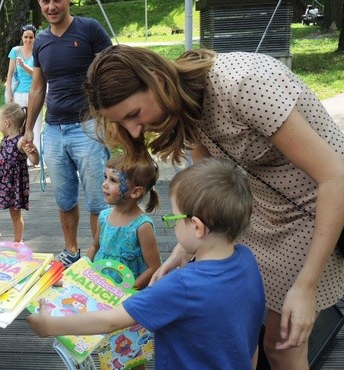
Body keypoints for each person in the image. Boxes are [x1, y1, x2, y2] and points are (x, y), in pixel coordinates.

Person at [84, 45, 344, 369]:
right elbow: (206, 190)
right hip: (259, 212)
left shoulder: (243, 83)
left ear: (155, 78)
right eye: (123, 123)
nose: (136, 131)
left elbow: (335, 176)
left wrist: (306, 286)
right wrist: (181, 252)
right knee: (249, 330)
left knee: (283, 345)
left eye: (134, 115)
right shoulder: (187, 104)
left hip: (317, 211)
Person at [28, 157, 266, 370]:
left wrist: (49, 325)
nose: (172, 224)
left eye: (173, 217)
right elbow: (250, 339)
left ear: (196, 226)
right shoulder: (246, 261)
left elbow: (111, 320)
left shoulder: (181, 285)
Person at [23, 0, 112, 268]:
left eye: (56, 0)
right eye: (44, 1)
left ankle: (99, 254)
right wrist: (28, 128)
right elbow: (38, 87)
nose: (51, 6)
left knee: (99, 198)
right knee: (64, 197)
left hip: (88, 127)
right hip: (53, 130)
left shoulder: (90, 29)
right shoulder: (40, 41)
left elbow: (111, 72)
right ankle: (71, 250)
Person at [85, 154, 161, 291]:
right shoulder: (103, 217)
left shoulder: (142, 226)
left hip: (127, 294)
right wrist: (82, 270)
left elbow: (154, 267)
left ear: (135, 192)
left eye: (113, 180)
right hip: (99, 287)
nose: (104, 184)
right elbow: (95, 247)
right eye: (105, 177)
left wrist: (126, 291)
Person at [0, 102, 39, 242]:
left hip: (13, 183)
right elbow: (1, 159)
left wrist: (34, 152)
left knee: (15, 214)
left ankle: (18, 242)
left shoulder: (20, 142)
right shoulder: (5, 140)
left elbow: (34, 160)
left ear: (6, 123)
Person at [5, 23, 42, 163]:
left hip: (35, 92)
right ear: (22, 37)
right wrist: (9, 94)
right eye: (25, 37)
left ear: (34, 38)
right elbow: (9, 75)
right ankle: (20, 155)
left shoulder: (37, 51)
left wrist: (24, 66)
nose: (28, 40)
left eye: (31, 37)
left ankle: (35, 156)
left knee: (35, 125)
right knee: (18, 126)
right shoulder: (15, 51)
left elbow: (38, 75)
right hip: (19, 94)